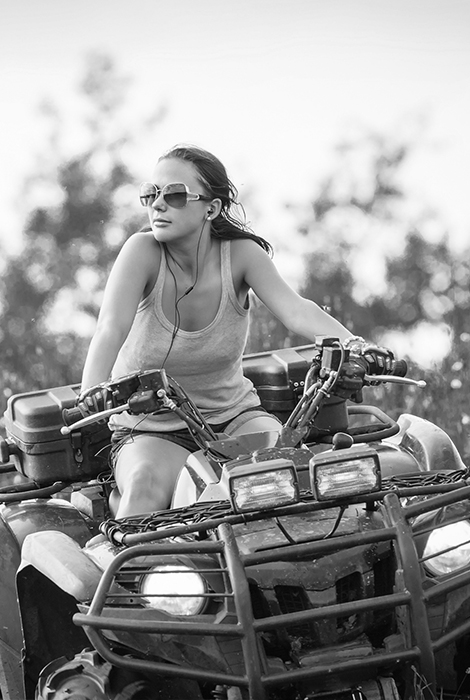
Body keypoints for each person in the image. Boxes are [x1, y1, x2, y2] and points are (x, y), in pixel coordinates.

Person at [79, 144, 358, 519]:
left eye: (174, 195)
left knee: (293, 473)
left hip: (235, 419)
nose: (157, 205)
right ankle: (128, 568)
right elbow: (110, 328)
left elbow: (296, 310)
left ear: (210, 208)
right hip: (152, 428)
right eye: (151, 193)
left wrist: (356, 347)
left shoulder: (241, 255)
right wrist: (91, 393)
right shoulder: (141, 252)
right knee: (145, 487)